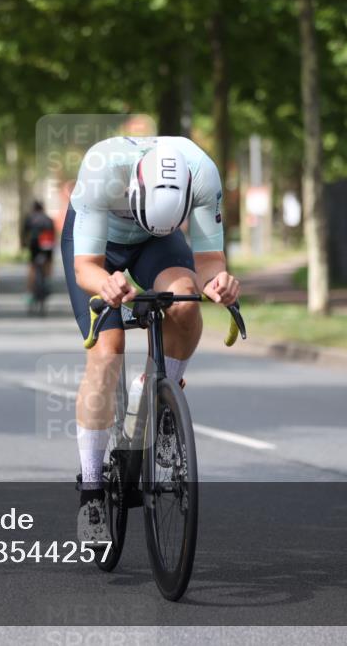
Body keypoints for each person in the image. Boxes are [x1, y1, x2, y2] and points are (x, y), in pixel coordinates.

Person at [64, 136, 240, 543]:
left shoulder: (202, 173)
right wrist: (107, 285)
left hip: (156, 242)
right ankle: (92, 490)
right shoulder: (102, 170)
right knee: (108, 352)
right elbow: (85, 268)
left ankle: (159, 401)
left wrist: (218, 283)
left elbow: (209, 262)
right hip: (97, 246)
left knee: (185, 303)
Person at [22, 200, 56, 302]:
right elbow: (53, 234)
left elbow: (24, 233)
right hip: (47, 244)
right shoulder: (48, 219)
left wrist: (23, 244)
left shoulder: (30, 218)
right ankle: (48, 281)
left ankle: (29, 292)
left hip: (34, 244)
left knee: (32, 266)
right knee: (48, 263)